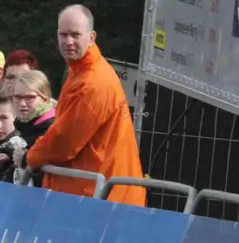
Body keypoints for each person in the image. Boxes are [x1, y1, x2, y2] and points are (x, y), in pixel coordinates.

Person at [9, 4, 146, 206]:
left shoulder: (93, 81)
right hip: (94, 193)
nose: (68, 41)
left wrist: (29, 157)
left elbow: (65, 141)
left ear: (91, 37)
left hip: (103, 199)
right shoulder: (80, 71)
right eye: (63, 35)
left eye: (75, 34)